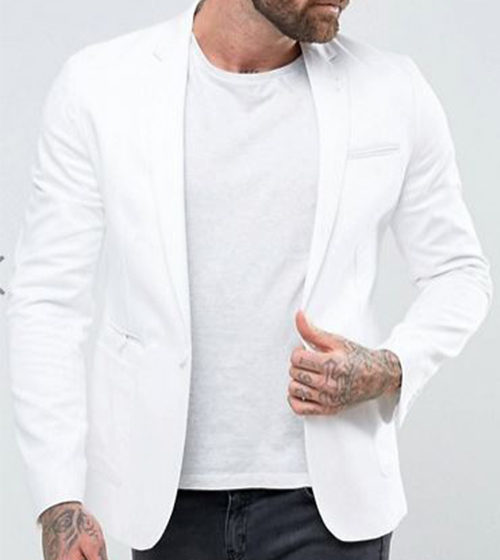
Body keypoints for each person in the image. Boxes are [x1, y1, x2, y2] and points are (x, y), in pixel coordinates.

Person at [5, 0, 493, 559]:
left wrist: (392, 366)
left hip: (330, 508)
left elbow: (458, 272)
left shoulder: (393, 90)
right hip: (164, 507)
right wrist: (59, 497)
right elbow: (48, 298)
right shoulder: (102, 86)